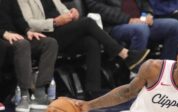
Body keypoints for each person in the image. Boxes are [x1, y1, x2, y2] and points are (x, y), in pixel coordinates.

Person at [18, 0, 150, 99]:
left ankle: (93, 91)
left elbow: (62, 11)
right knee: (87, 22)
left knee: (91, 42)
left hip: (62, 31)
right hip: (45, 36)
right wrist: (54, 22)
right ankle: (124, 53)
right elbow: (28, 23)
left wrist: (72, 14)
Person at [1, 0, 58, 112]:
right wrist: (4, 34)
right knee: (23, 44)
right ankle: (24, 96)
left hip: (15, 36)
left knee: (50, 43)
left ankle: (40, 93)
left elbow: (18, 18)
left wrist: (27, 31)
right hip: (3, 38)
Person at [85, 0, 178, 60]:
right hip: (115, 25)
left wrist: (147, 14)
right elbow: (95, 7)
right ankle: (135, 73)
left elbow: (145, 3)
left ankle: (164, 69)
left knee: (174, 26)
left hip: (140, 21)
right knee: (141, 30)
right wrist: (127, 19)